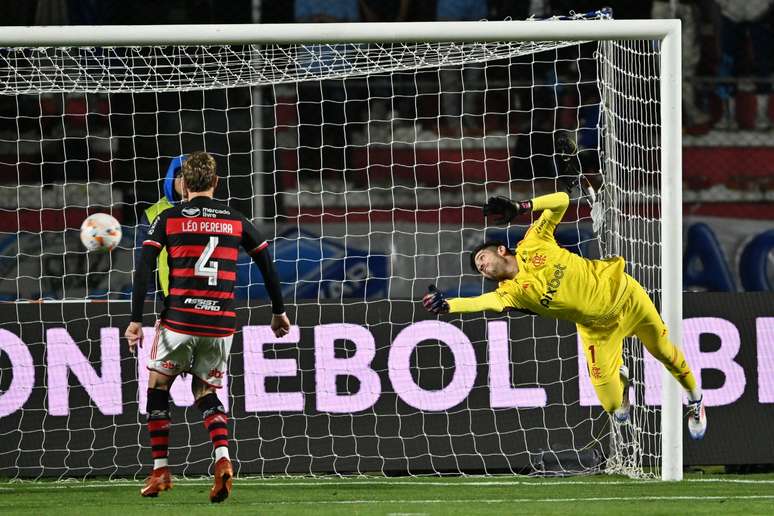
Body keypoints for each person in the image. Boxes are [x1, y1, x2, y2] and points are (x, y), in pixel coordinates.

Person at [422, 190, 707, 440]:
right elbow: (480, 303)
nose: (481, 266)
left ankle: (695, 400)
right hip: (598, 329)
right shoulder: (509, 293)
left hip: (625, 295)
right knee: (614, 410)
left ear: (500, 249)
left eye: (482, 259)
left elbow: (562, 201)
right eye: (478, 268)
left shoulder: (534, 241)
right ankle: (622, 384)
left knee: (664, 351)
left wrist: (522, 207)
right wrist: (449, 305)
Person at [124, 151, 291, 503]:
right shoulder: (236, 219)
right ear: (216, 183)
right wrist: (278, 312)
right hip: (219, 325)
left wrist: (136, 320)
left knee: (157, 387)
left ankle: (160, 470)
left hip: (179, 320)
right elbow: (266, 262)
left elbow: (143, 268)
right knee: (205, 392)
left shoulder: (168, 218)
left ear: (183, 184)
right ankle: (223, 458)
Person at [134, 155, 187, 298]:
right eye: (181, 175)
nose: (186, 181)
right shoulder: (153, 214)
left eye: (191, 175)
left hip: (209, 297)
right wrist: (151, 301)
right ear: (171, 178)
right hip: (168, 299)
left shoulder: (214, 211)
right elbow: (143, 264)